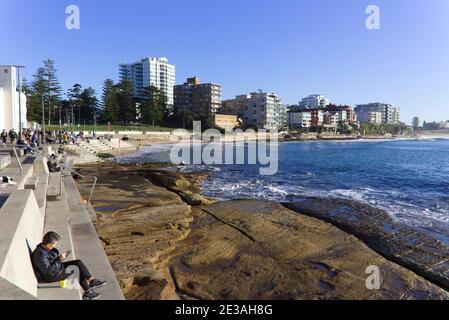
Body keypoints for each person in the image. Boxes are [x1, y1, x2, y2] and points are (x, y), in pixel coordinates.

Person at [31, 232, 106, 300]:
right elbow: (49, 271)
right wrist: (59, 259)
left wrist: (59, 259)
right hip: (51, 276)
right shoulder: (40, 256)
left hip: (55, 269)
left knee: (78, 262)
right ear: (49, 244)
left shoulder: (43, 249)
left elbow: (50, 263)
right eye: (54, 244)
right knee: (76, 269)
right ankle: (88, 293)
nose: (55, 246)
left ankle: (92, 281)